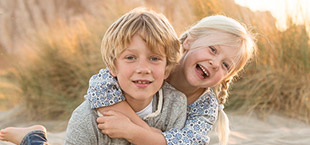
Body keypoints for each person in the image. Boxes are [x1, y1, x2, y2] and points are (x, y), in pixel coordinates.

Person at [0, 7, 186, 145]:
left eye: (154, 58)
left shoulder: (175, 105)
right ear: (113, 66)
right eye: (130, 58)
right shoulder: (86, 118)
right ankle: (32, 138)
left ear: (167, 68)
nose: (143, 68)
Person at [89, 15, 256, 145]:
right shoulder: (156, 65)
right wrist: (146, 130)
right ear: (189, 42)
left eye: (225, 65)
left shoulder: (206, 106)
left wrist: (134, 132)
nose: (214, 63)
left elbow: (187, 141)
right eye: (212, 50)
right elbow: (100, 88)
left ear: (227, 77)